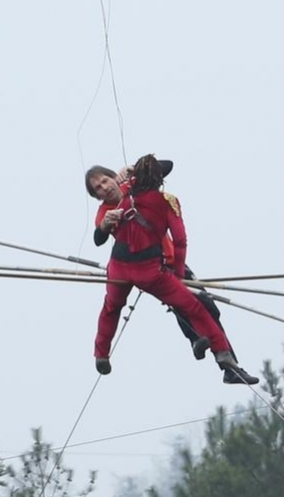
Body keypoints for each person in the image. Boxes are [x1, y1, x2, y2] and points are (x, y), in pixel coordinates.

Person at [85, 156, 259, 385]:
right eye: (98, 188)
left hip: (171, 259)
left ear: (113, 177)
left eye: (105, 180)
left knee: (207, 307)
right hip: (146, 265)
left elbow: (166, 166)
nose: (104, 188)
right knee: (183, 304)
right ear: (96, 196)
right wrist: (105, 225)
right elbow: (99, 236)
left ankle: (222, 361)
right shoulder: (105, 212)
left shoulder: (134, 185)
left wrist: (131, 170)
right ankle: (203, 345)